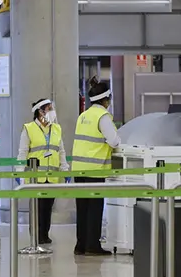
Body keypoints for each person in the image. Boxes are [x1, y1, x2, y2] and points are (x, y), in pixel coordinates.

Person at [71, 81, 120, 256]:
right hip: (94, 168)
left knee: (82, 208)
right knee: (94, 208)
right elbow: (114, 141)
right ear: (105, 99)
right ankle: (92, 246)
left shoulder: (83, 115)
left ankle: (81, 245)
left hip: (79, 168)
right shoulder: (103, 116)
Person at [16, 99, 70, 245]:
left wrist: (65, 169)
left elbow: (61, 152)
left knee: (48, 207)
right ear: (40, 111)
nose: (52, 111)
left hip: (52, 176)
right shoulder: (29, 129)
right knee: (37, 208)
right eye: (49, 108)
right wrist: (20, 172)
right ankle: (35, 235)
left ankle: (45, 234)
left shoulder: (56, 129)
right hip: (35, 176)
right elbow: (22, 152)